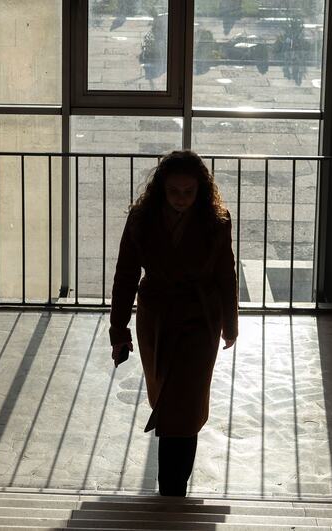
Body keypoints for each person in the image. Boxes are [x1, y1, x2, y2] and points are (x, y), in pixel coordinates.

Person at [108, 150, 239, 497]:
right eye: (174, 192)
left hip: (201, 319)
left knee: (186, 402)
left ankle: (172, 489)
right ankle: (173, 489)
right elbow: (125, 276)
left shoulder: (217, 221)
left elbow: (226, 273)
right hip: (157, 321)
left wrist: (230, 322)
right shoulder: (140, 220)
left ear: (201, 190)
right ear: (161, 189)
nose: (181, 199)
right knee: (166, 396)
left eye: (188, 192)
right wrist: (118, 330)